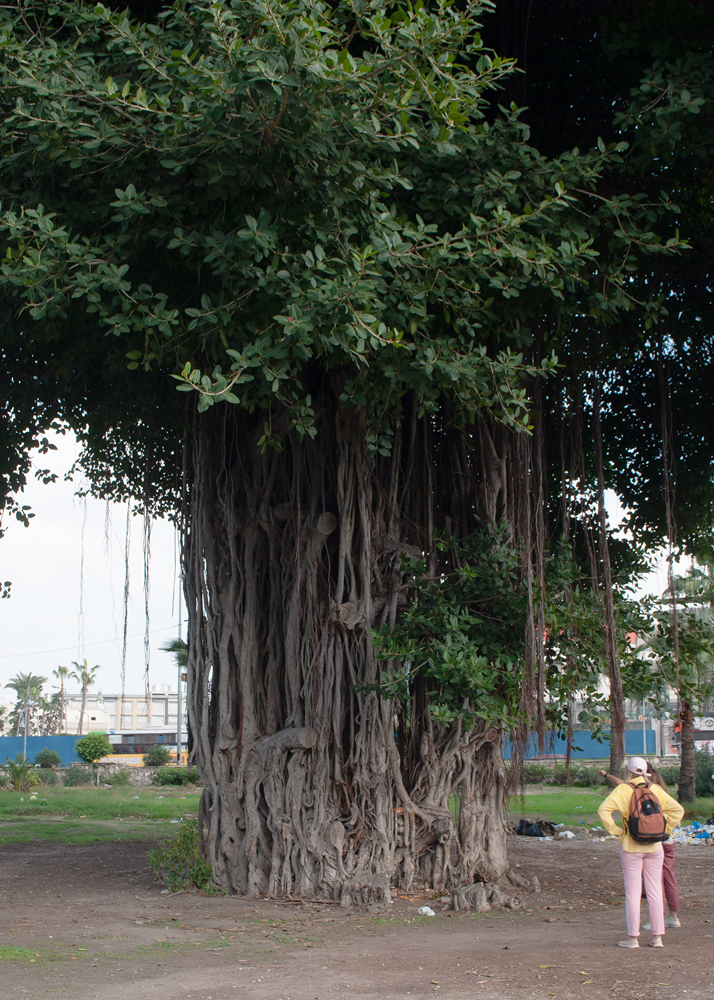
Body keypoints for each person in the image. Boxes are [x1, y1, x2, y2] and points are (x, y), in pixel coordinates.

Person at [598, 756, 684, 949]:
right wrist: (665, 830)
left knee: (633, 893)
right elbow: (678, 810)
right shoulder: (655, 789)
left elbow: (603, 810)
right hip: (655, 847)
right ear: (645, 771)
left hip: (631, 846)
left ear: (628, 771)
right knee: (655, 891)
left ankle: (633, 937)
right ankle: (657, 937)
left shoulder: (623, 790)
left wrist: (616, 831)